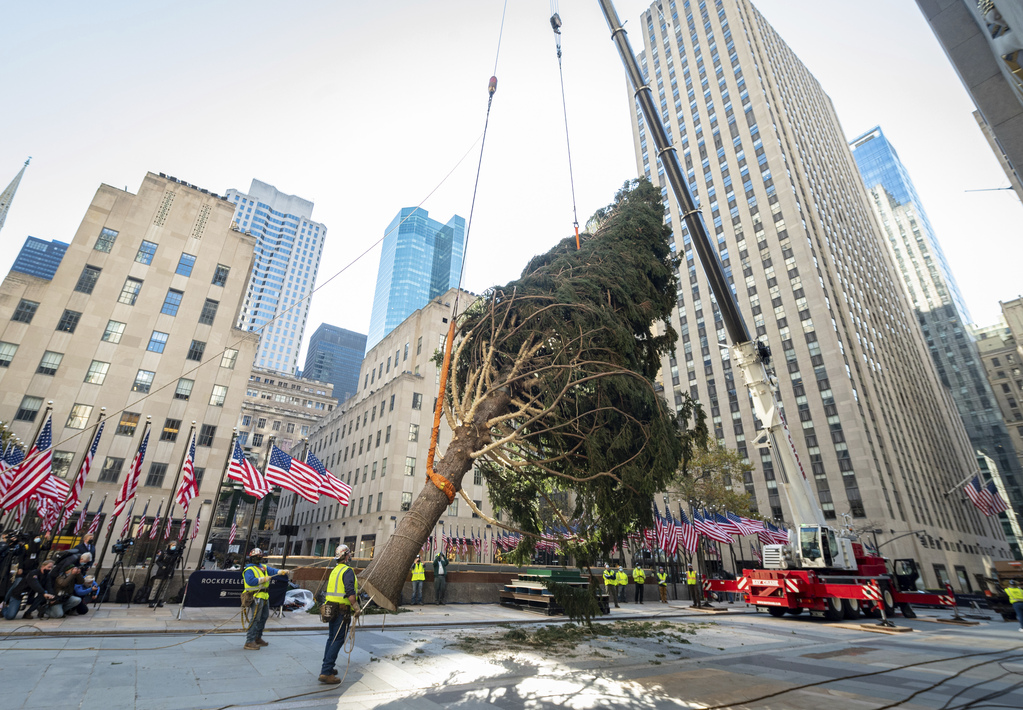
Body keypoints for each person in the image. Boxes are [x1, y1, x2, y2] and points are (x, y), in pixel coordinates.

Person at [319, 544, 360, 685]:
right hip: (341, 609)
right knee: (337, 640)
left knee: (331, 638)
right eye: (349, 554)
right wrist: (356, 607)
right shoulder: (347, 571)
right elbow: (349, 591)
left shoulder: (335, 570)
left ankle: (327, 668)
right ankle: (326, 671)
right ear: (347, 555)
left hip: (330, 608)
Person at [242, 547, 289, 650]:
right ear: (252, 558)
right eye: (257, 557)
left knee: (264, 617)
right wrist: (262, 579)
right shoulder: (249, 570)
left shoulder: (263, 567)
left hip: (264, 596)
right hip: (255, 596)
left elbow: (273, 571)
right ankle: (249, 641)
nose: (259, 558)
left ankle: (257, 638)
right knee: (255, 619)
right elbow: (250, 581)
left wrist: (281, 571)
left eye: (260, 557)